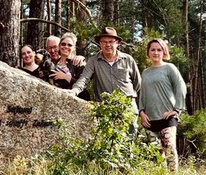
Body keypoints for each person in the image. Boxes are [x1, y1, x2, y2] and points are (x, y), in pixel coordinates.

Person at [70, 27, 142, 133]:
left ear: (117, 43)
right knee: (107, 142)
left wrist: (138, 105)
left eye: (111, 41)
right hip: (105, 109)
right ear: (100, 43)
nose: (108, 45)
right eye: (104, 42)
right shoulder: (94, 61)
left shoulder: (128, 59)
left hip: (127, 107)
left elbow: (138, 84)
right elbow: (84, 79)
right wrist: (74, 91)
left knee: (128, 142)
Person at [139, 38, 186, 172]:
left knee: (170, 151)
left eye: (159, 49)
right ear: (148, 52)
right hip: (150, 120)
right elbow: (142, 94)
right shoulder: (145, 72)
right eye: (152, 49)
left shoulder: (169, 68)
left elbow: (181, 87)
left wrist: (176, 110)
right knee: (157, 156)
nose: (155, 52)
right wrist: (141, 112)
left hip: (167, 119)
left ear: (164, 51)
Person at [50, 32, 90, 100]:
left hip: (75, 100)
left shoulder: (78, 63)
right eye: (63, 44)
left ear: (73, 48)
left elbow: (83, 84)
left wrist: (65, 77)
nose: (66, 46)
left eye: (69, 45)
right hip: (55, 98)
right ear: (59, 46)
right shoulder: (52, 63)